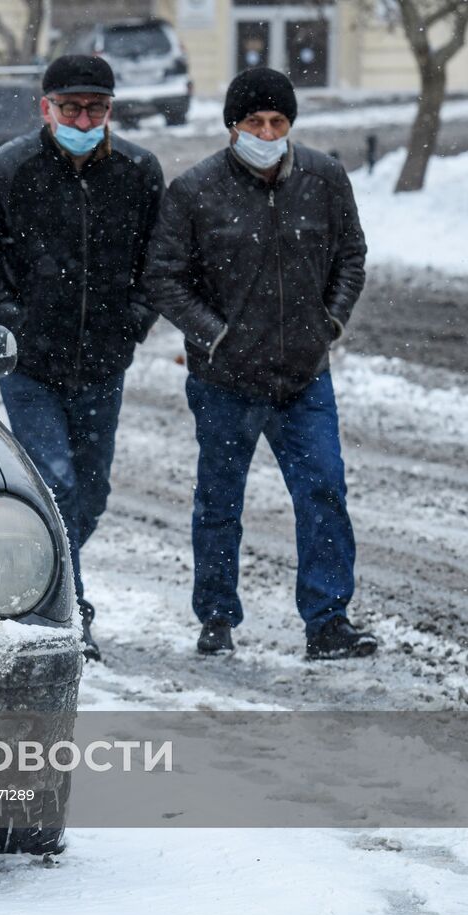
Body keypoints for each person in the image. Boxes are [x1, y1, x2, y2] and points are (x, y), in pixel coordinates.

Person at [144, 67, 376, 660]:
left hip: (304, 376)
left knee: (323, 490)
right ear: (232, 128)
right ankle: (217, 617)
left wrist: (331, 322)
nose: (267, 132)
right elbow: (165, 279)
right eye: (254, 121)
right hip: (226, 380)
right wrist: (215, 336)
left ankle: (328, 621)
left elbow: (351, 255)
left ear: (290, 124)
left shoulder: (323, 178)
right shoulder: (194, 191)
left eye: (277, 121)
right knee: (220, 501)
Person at [0, 55, 165, 662]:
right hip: (31, 366)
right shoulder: (6, 170)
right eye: (70, 107)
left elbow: (161, 257)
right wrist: (12, 318)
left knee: (91, 492)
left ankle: (49, 575)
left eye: (95, 107)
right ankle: (71, 612)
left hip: (103, 361)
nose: (83, 118)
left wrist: (134, 322)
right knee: (57, 485)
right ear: (46, 108)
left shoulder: (139, 171)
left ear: (110, 110)